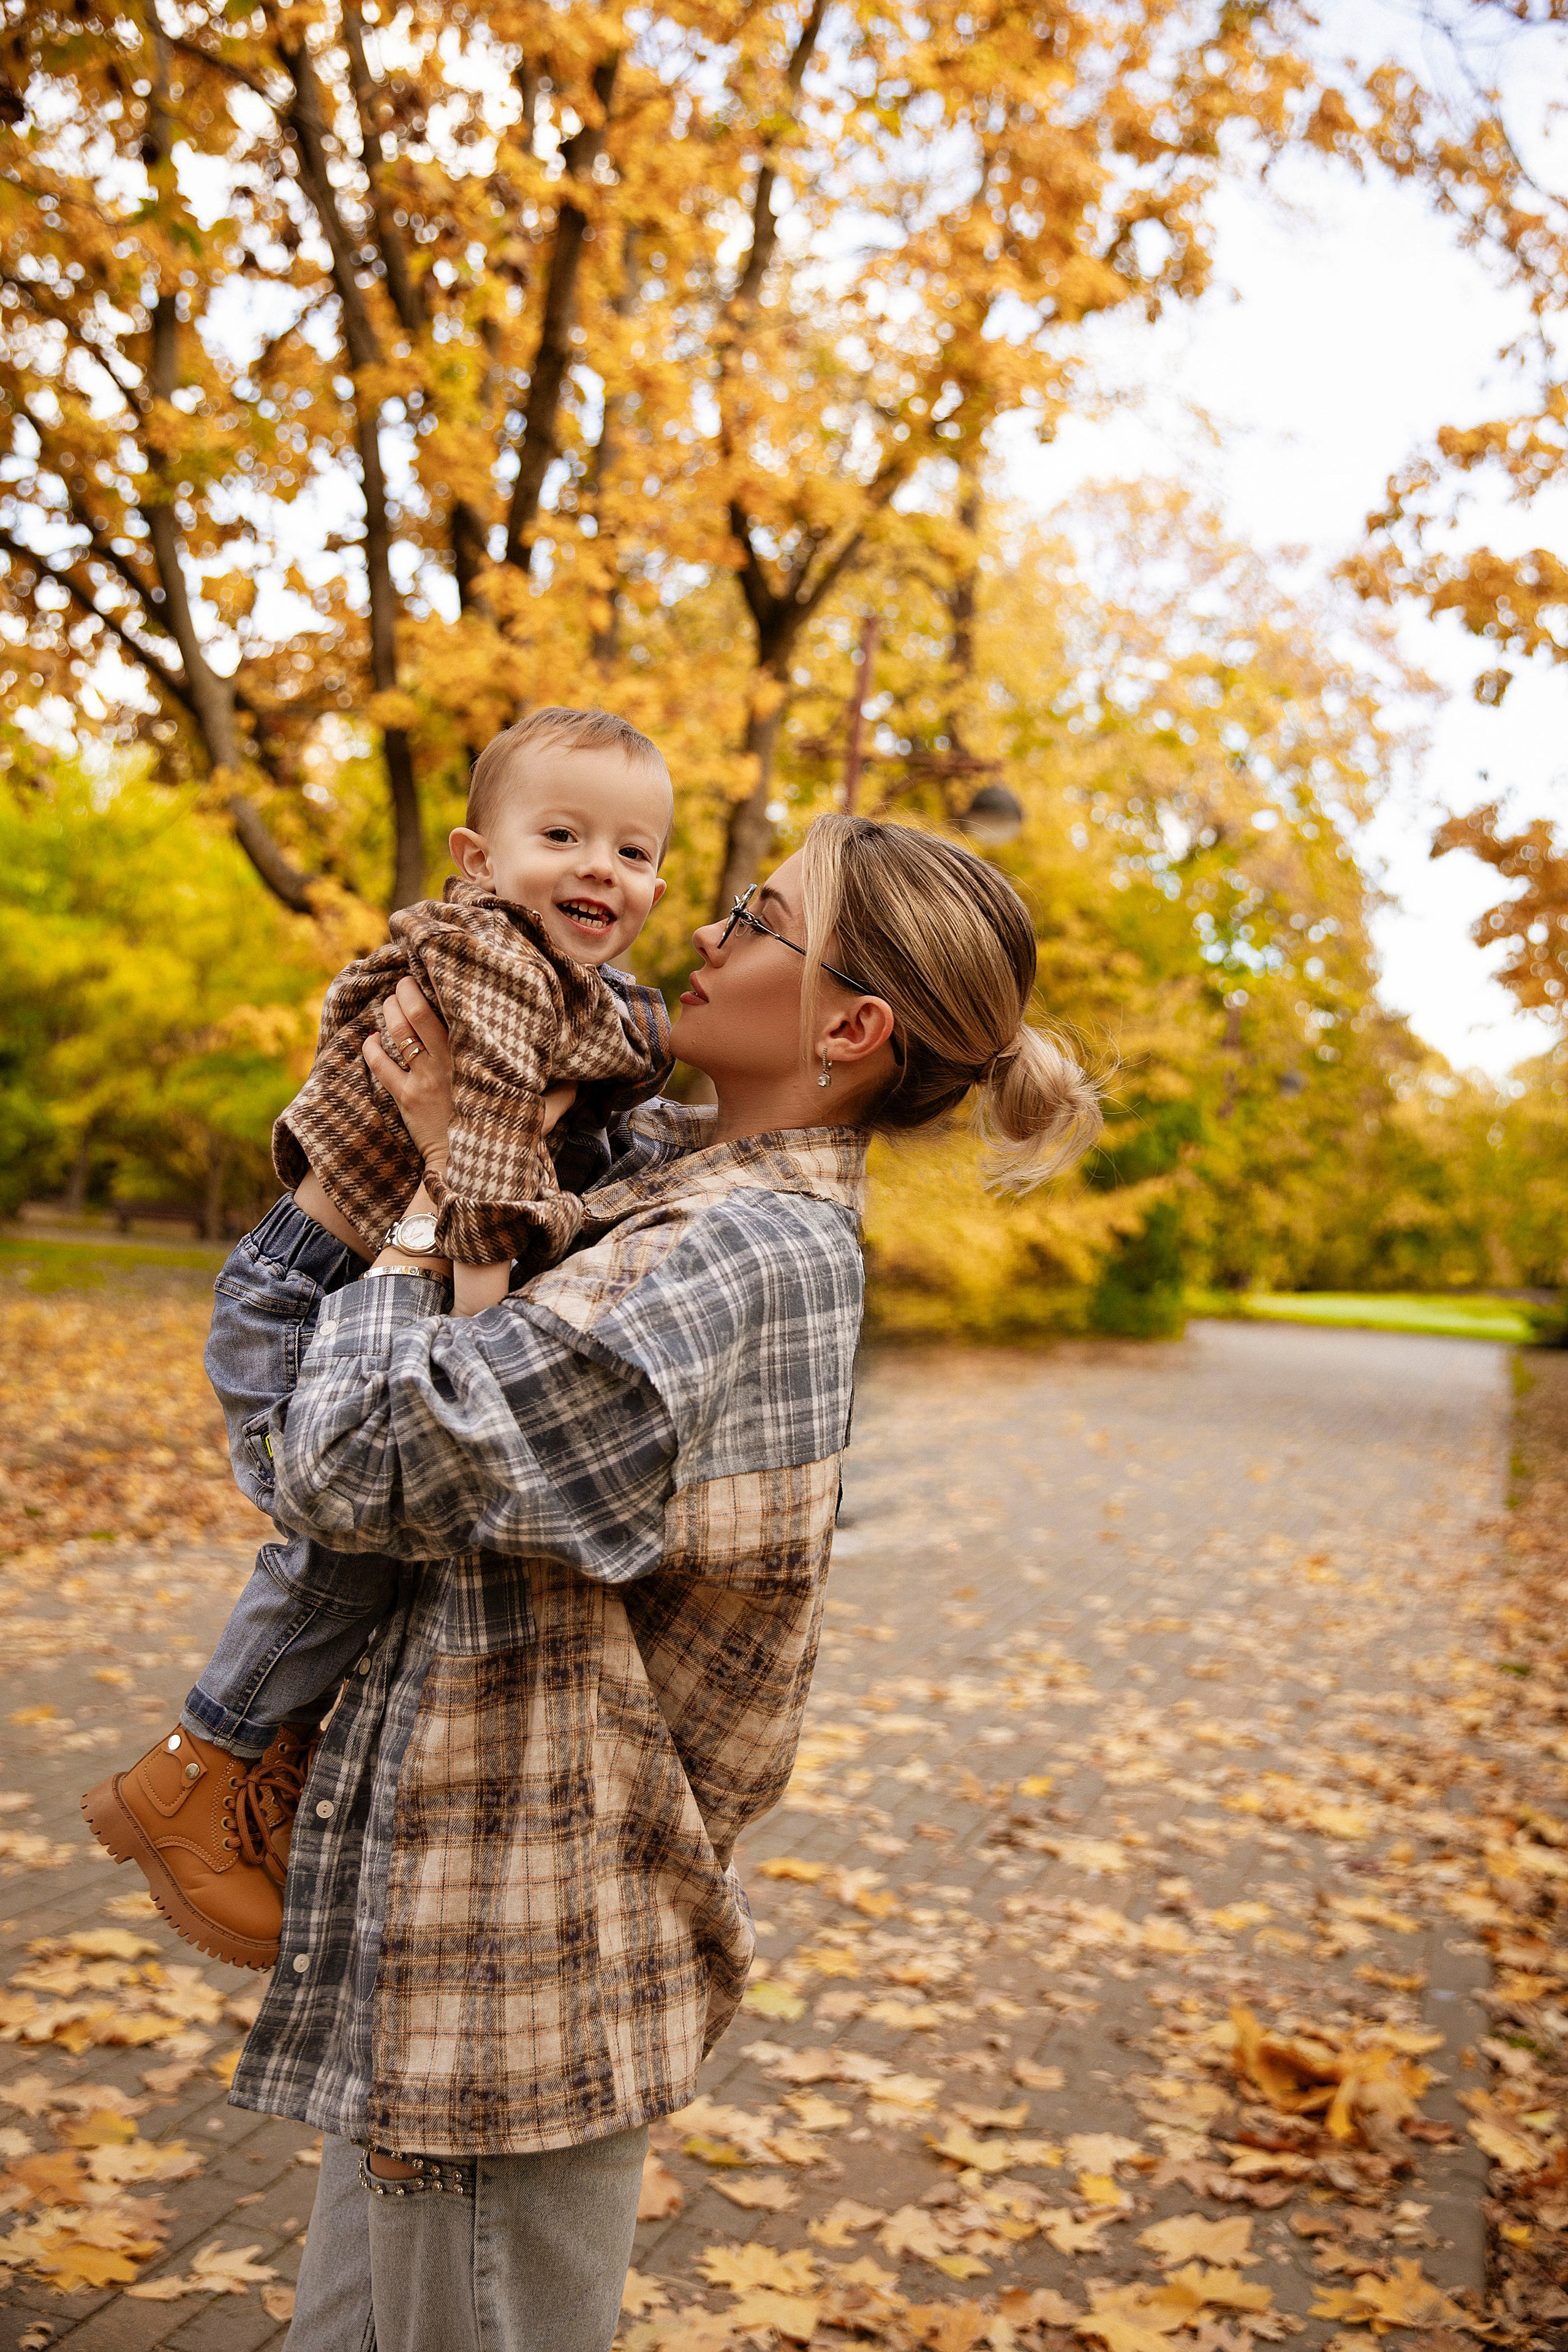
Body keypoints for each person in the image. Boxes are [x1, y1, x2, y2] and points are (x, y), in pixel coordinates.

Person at [232, 816, 1102, 2352]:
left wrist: (432, 1202)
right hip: (461, 1936)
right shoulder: (668, 1187)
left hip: (517, 1957)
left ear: (847, 1026)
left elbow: (352, 1459)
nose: (700, 935)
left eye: (757, 918)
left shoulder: (742, 1250)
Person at [81, 707, 674, 1969]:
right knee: (346, 1531)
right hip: (308, 1291)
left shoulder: (596, 997)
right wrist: (502, 1266)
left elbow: (613, 1104)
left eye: (631, 853)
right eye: (560, 835)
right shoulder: (494, 965)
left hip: (353, 1278)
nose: (597, 871)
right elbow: (494, 1140)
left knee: (386, 1539)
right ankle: (197, 1768)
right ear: (473, 859)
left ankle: (267, 1760)